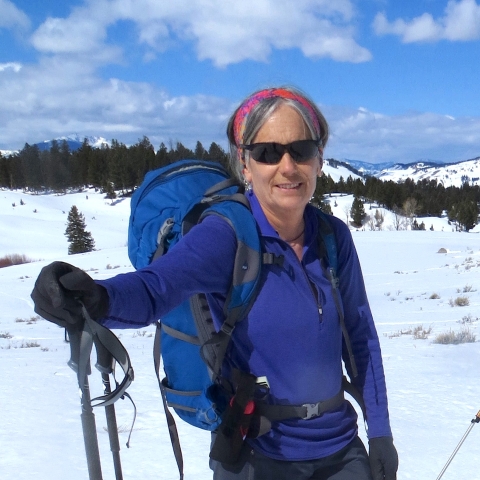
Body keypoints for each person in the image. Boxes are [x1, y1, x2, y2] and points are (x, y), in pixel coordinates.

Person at [31, 86, 398, 480]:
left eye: (302, 149)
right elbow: (158, 287)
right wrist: (97, 297)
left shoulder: (333, 236)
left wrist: (379, 433)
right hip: (256, 456)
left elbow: (361, 337)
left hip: (342, 454)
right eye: (268, 152)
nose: (287, 166)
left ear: (319, 158)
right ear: (245, 163)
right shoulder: (227, 234)